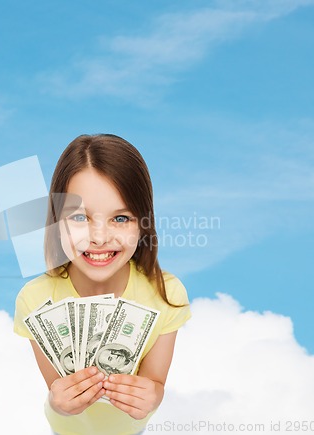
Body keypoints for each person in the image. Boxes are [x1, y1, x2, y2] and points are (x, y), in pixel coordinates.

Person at [13, 134, 191, 435]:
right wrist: (59, 403)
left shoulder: (167, 294)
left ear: (143, 222)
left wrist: (152, 396)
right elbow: (57, 392)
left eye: (120, 218)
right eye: (80, 217)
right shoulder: (36, 300)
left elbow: (156, 385)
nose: (99, 237)